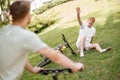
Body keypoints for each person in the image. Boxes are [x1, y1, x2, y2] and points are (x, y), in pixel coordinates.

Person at [0, 1, 84, 80]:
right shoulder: (25, 35)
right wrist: (74, 66)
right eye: (29, 12)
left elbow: (19, 55)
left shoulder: (5, 31)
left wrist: (32, 70)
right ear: (26, 15)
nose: (31, 14)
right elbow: (54, 55)